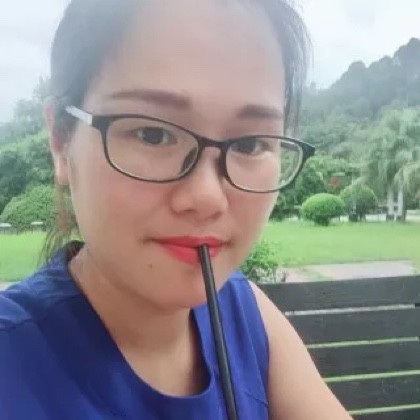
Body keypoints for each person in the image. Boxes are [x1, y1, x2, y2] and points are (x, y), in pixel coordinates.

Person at [0, 0, 352, 419]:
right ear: (61, 140)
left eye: (250, 144)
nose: (207, 197)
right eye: (152, 134)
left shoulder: (242, 312)